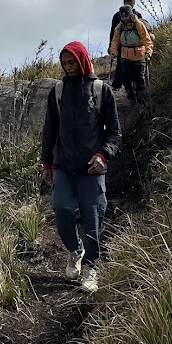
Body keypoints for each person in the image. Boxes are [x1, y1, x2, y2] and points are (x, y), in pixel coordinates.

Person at [41, 42, 121, 293]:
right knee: (61, 209)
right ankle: (76, 250)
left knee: (93, 219)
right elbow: (49, 131)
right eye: (64, 63)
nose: (68, 67)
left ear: (82, 59)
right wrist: (46, 163)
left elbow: (115, 133)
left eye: (72, 61)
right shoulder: (58, 91)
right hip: (64, 166)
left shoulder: (100, 90)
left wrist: (103, 156)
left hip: (92, 169)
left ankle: (91, 266)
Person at [109, 5, 153, 110]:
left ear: (130, 14)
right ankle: (131, 98)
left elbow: (146, 38)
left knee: (139, 78)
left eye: (126, 16)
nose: (124, 18)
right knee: (125, 77)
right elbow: (115, 41)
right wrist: (113, 51)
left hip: (139, 54)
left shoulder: (138, 24)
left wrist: (149, 51)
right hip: (125, 55)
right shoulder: (119, 27)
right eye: (122, 16)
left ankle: (141, 99)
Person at [108, 0, 142, 90]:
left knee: (134, 65)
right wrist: (111, 45)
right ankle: (118, 84)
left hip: (135, 44)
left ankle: (133, 85)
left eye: (131, 5)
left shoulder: (137, 16)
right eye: (128, 4)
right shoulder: (117, 16)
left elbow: (142, 30)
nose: (130, 6)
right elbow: (113, 32)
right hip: (121, 44)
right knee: (121, 64)